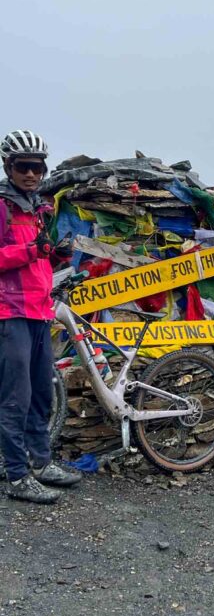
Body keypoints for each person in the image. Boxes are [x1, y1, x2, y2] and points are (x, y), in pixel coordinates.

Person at [0, 129, 81, 503]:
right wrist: (33, 251)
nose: (32, 174)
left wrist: (56, 255)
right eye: (24, 167)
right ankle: (18, 477)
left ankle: (41, 463)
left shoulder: (39, 208)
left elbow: (39, 256)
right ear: (9, 166)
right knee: (15, 398)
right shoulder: (3, 206)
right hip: (9, 312)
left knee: (41, 395)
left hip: (38, 310)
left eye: (38, 167)